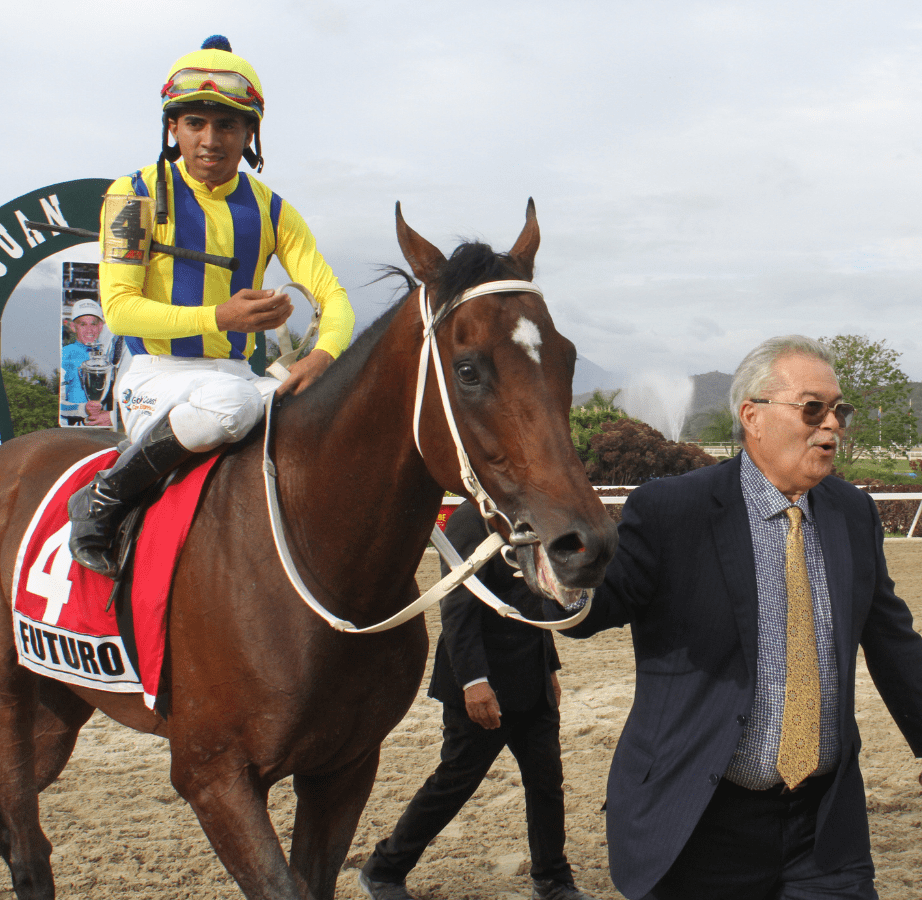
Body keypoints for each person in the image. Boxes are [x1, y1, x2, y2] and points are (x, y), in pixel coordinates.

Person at [561, 335, 922, 900]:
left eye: (839, 410)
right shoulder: (671, 510)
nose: (832, 426)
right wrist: (558, 567)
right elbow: (593, 611)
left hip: (825, 825)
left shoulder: (852, 512)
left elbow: (890, 638)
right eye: (812, 409)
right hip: (700, 820)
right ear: (752, 416)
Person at [67, 35, 354, 577]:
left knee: (325, 417)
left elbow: (332, 297)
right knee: (230, 403)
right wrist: (221, 317)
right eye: (195, 123)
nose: (210, 139)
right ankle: (101, 498)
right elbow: (122, 310)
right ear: (172, 128)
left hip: (238, 377)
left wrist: (323, 356)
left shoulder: (273, 210)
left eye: (227, 125)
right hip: (154, 375)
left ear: (250, 134)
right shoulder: (131, 196)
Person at [359, 501, 595, 900]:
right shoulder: (470, 520)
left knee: (546, 783)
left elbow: (533, 596)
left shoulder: (527, 515)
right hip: (483, 684)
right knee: (454, 782)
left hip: (532, 678)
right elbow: (458, 607)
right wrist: (474, 682)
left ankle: (553, 880)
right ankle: (383, 869)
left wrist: (549, 667)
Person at [60, 299, 113, 427]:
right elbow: (58, 405)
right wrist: (83, 408)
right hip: (74, 430)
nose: (89, 330)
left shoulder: (109, 354)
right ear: (73, 327)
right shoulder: (64, 354)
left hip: (105, 429)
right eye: (82, 324)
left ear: (101, 326)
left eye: (93, 324)